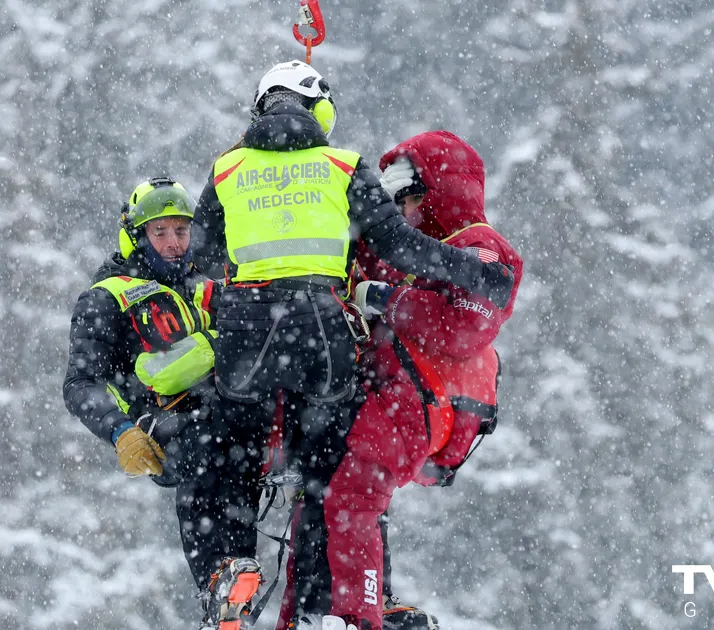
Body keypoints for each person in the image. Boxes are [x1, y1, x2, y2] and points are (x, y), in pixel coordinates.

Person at [189, 61, 518, 630]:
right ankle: (335, 607)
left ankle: (236, 570)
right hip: (324, 341)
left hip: (251, 339)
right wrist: (466, 272)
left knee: (231, 450)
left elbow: (201, 255)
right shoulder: (342, 166)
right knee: (331, 478)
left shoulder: (227, 168)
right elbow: (396, 243)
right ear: (320, 112)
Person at [271, 131, 524, 630]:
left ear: (440, 194)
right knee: (323, 493)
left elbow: (463, 325)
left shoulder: (480, 247)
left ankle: (357, 614)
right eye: (397, 205)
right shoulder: (411, 251)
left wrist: (386, 301)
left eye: (409, 201)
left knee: (353, 497)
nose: (403, 216)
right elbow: (362, 258)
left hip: (424, 397)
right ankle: (312, 613)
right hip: (392, 394)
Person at [62, 177, 265, 630]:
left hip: (232, 413)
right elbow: (79, 383)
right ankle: (216, 579)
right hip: (165, 422)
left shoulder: (204, 286)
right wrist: (120, 431)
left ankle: (246, 589)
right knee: (207, 441)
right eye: (160, 232)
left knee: (282, 440)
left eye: (182, 230)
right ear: (136, 237)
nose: (174, 243)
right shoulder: (107, 297)